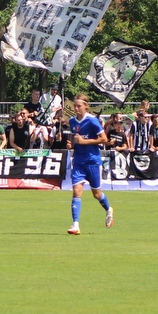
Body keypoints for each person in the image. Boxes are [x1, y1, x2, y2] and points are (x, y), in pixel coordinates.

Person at [67, 94, 113, 235]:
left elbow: (104, 139)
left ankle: (109, 209)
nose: (76, 108)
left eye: (79, 106)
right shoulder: (72, 121)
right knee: (76, 191)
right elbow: (74, 136)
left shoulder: (92, 121)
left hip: (93, 161)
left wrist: (83, 141)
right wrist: (71, 142)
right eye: (75, 105)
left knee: (96, 194)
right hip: (79, 162)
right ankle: (75, 225)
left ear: (86, 106)